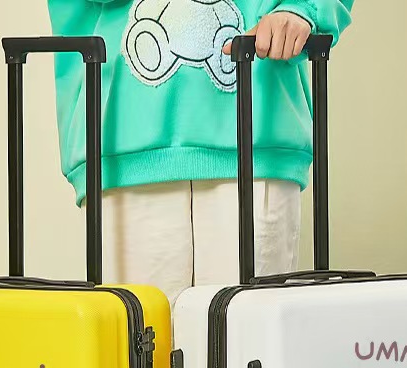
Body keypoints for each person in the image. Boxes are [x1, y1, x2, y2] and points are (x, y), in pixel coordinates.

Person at [47, 1, 354, 305]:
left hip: (255, 121)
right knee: (141, 328)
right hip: (124, 135)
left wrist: (304, 8)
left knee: (243, 327)